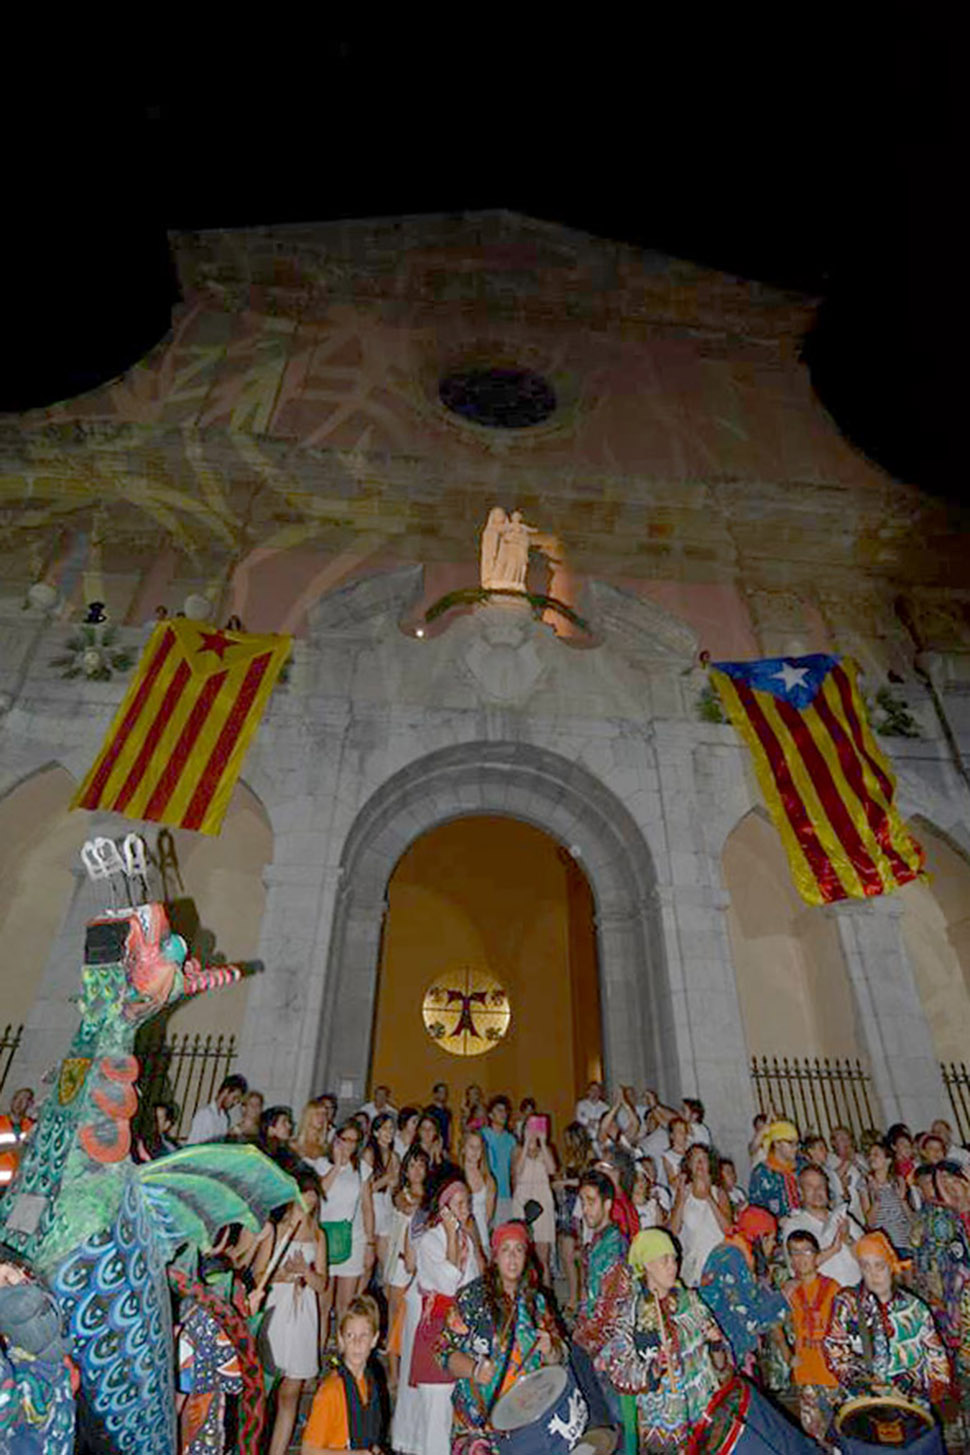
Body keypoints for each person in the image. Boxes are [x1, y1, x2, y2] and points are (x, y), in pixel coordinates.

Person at [596, 1228, 729, 1453]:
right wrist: (654, 1370)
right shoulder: (631, 1314)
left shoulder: (692, 1302)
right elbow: (619, 1369)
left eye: (674, 1259)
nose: (672, 1266)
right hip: (663, 1427)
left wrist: (716, 1344)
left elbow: (721, 1364)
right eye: (663, 1260)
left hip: (702, 1417)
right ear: (646, 1264)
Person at [439, 1220, 565, 1455]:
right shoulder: (472, 1299)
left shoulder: (536, 1303)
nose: (513, 1258)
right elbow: (442, 1350)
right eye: (506, 1250)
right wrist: (474, 1369)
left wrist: (550, 1350)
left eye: (519, 1250)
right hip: (478, 1424)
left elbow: (558, 1360)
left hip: (525, 1420)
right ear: (495, 1256)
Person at [824, 1230, 950, 1420]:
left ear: (891, 1266)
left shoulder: (916, 1309)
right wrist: (855, 1380)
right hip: (862, 1403)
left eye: (879, 1266)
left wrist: (915, 1382)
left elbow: (938, 1364)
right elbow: (834, 1347)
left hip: (908, 1405)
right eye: (866, 1266)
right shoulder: (847, 1303)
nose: (873, 1274)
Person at [400, 1179, 482, 1455]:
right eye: (459, 1204)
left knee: (455, 1417)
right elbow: (447, 1285)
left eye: (468, 1203)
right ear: (444, 1209)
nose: (466, 1209)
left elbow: (472, 1285)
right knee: (435, 1419)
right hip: (436, 1335)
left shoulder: (466, 1241)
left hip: (460, 1335)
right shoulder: (429, 1240)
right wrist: (448, 1233)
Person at [253, 1164, 329, 1455]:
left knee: (291, 1392)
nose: (309, 1201)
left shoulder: (319, 1235)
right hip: (276, 1310)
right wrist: (285, 1274)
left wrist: (305, 1274)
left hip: (304, 1316)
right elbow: (259, 1273)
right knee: (266, 1387)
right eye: (304, 1195)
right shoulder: (277, 1229)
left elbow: (322, 1284)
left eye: (313, 1197)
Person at [698, 1206, 788, 1372]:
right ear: (761, 1238)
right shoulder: (733, 1260)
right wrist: (786, 1298)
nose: (774, 1245)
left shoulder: (731, 1251)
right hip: (723, 1354)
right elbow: (750, 1321)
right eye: (772, 1239)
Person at [301, 1295, 385, 1455]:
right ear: (340, 1339)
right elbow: (308, 1450)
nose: (357, 1343)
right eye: (350, 1335)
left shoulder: (370, 1383)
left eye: (364, 1336)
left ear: (374, 1339)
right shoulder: (331, 1390)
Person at [315, 1120, 374, 1344]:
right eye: (345, 1139)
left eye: (353, 1141)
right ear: (336, 1138)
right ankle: (317, 1355)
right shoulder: (322, 1163)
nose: (349, 1145)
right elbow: (319, 1192)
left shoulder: (362, 1169)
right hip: (325, 1237)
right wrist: (337, 1166)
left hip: (352, 1237)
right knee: (323, 1305)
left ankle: (343, 1355)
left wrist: (370, 1245)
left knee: (345, 1306)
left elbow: (368, 1208)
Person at [782, 1230, 840, 1444]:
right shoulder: (788, 1291)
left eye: (806, 1251)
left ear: (816, 1255)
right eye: (794, 1253)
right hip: (806, 1373)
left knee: (841, 1432)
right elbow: (773, 1324)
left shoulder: (833, 1288)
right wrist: (788, 1355)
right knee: (815, 1436)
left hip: (833, 1374)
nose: (801, 1257)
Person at [780, 1164, 864, 1287]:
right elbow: (797, 1270)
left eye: (820, 1186)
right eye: (810, 1187)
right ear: (801, 1193)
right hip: (825, 1299)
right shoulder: (794, 1225)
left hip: (858, 1290)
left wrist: (848, 1240)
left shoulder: (843, 1216)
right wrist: (833, 1249)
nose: (817, 1191)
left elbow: (868, 1255)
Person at [573, 1169, 629, 1350]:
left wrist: (583, 1337)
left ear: (607, 1205)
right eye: (583, 1202)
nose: (585, 1209)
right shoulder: (599, 1241)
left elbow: (609, 1305)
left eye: (591, 1202)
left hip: (606, 1345)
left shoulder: (613, 1247)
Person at [668, 1143, 731, 1287]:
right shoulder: (683, 1193)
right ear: (689, 1165)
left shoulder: (719, 1193)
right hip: (693, 1267)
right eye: (695, 1159)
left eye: (704, 1159)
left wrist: (709, 1197)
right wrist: (681, 1200)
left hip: (718, 1263)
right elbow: (673, 1231)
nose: (700, 1163)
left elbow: (728, 1229)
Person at [511, 1119, 557, 1282]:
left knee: (543, 1256)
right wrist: (526, 1145)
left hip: (543, 1199)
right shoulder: (517, 1150)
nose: (533, 1132)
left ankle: (546, 1296)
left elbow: (552, 1169)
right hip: (523, 1199)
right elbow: (517, 1171)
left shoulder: (546, 1150)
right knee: (522, 1251)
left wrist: (542, 1143)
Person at [553, 1120, 592, 1313]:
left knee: (582, 1254)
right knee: (567, 1254)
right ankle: (573, 1296)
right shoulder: (569, 1156)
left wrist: (566, 1182)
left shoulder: (588, 1155)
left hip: (581, 1206)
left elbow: (587, 1180)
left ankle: (584, 1294)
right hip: (566, 1207)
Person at [363, 1111, 400, 1283]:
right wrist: (386, 1178)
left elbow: (396, 1188)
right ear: (376, 1132)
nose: (389, 1132)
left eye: (392, 1128)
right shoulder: (369, 1154)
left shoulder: (394, 1157)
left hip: (387, 1207)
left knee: (388, 1263)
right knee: (367, 1264)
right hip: (372, 1205)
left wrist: (394, 1185)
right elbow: (365, 1189)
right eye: (385, 1128)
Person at [861, 1136, 914, 1252]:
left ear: (888, 1160)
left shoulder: (898, 1182)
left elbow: (912, 1219)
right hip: (884, 1246)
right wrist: (876, 1199)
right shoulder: (865, 1183)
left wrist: (903, 1200)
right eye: (870, 1155)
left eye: (876, 1154)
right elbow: (870, 1222)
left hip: (905, 1243)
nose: (871, 1158)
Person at [747, 1119, 800, 1217]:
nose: (795, 1148)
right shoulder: (762, 1173)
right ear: (777, 1143)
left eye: (796, 1143)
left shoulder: (802, 1166)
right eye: (790, 1143)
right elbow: (757, 1211)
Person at [481, 1096, 517, 1224]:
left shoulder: (511, 1140)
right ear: (490, 1115)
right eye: (499, 1110)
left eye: (505, 1110)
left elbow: (514, 1169)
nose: (503, 1114)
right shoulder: (482, 1135)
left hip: (504, 1194)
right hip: (484, 1194)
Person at [186, 1073, 248, 1144]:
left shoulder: (224, 1119)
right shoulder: (205, 1115)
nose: (234, 1103)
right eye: (234, 1098)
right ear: (226, 1091)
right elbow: (196, 1144)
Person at [460, 1129, 496, 1247]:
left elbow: (488, 1215)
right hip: (460, 1239)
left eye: (478, 1147)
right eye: (471, 1147)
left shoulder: (488, 1180)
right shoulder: (455, 1175)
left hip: (481, 1238)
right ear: (463, 1149)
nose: (475, 1151)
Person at [0, 1088, 35, 1190]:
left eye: (24, 1099)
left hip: (17, 1187)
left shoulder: (32, 1126)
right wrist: (17, 1146)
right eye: (16, 1098)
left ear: (30, 1104)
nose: (19, 1102)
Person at [295, 1096, 337, 1163]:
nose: (321, 1118)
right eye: (317, 1114)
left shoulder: (326, 1148)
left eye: (324, 1114)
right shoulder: (294, 1145)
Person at [425, 1083, 452, 1152]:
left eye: (444, 1092)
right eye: (440, 1092)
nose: (443, 1094)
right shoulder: (429, 1110)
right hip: (432, 1144)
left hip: (444, 1146)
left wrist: (449, 1145)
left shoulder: (447, 1111)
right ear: (435, 1094)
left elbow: (449, 1127)